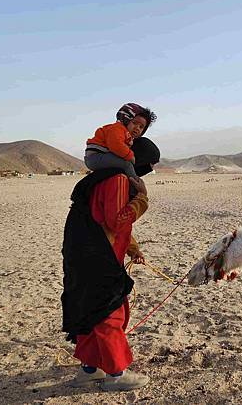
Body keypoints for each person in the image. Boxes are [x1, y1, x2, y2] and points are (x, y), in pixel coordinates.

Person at [61, 137, 160, 392]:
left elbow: (105, 222)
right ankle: (117, 374)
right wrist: (142, 200)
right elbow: (117, 221)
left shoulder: (100, 178)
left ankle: (90, 370)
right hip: (98, 261)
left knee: (91, 313)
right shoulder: (117, 179)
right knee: (109, 314)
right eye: (148, 164)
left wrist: (132, 249)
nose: (148, 171)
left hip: (83, 259)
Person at [85, 103, 157, 178]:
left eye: (141, 127)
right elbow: (116, 144)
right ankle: (135, 182)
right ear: (126, 119)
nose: (137, 128)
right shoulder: (117, 128)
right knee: (127, 164)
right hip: (96, 157)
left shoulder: (126, 135)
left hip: (99, 157)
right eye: (134, 123)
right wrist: (130, 156)